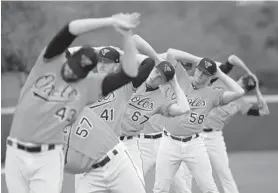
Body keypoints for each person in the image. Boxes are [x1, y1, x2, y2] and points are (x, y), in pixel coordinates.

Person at [5, 13, 140, 193]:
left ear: (86, 74)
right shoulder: (49, 61)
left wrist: (126, 35)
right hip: (16, 153)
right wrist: (110, 21)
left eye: (78, 72)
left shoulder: (88, 87)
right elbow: (71, 28)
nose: (71, 73)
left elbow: (129, 74)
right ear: (68, 59)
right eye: (72, 66)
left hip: (48, 158)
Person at [64, 31, 158, 193]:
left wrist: (121, 54)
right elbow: (65, 55)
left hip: (116, 153)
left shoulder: (123, 85)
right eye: (99, 61)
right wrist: (97, 50)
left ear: (116, 65)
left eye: (106, 62)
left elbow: (148, 64)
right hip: (86, 158)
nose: (101, 65)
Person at [153, 48, 245, 193]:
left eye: (205, 73)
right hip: (169, 142)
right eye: (199, 70)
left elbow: (239, 92)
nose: (200, 75)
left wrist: (219, 73)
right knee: (160, 188)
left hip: (194, 144)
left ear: (210, 77)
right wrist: (198, 60)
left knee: (209, 188)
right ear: (195, 69)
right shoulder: (181, 78)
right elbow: (171, 52)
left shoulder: (213, 94)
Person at [119, 40, 191, 179]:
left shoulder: (160, 99)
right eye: (156, 71)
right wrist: (158, 60)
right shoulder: (135, 78)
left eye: (160, 77)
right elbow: (134, 39)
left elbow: (184, 109)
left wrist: (174, 83)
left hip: (132, 142)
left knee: (135, 183)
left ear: (164, 82)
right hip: (113, 137)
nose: (155, 76)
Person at [199, 55, 270, 193]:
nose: (242, 84)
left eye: (245, 86)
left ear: (247, 89)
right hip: (196, 132)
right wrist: (249, 72)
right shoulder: (220, 80)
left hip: (214, 137)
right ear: (239, 78)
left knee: (224, 172)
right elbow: (232, 58)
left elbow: (264, 111)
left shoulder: (242, 103)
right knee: (189, 170)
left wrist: (258, 92)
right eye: (243, 81)